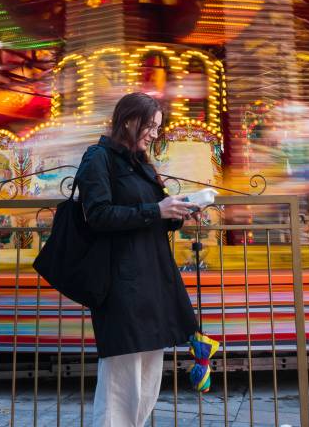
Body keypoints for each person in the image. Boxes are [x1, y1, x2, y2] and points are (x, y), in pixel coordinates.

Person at [75, 92, 199, 427]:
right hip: (121, 282)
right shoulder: (97, 158)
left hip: (153, 279)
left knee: (147, 378)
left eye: (158, 128)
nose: (155, 134)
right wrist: (155, 210)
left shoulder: (141, 162)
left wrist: (176, 212)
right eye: (151, 126)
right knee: (121, 381)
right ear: (130, 120)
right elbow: (98, 215)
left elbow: (151, 214)